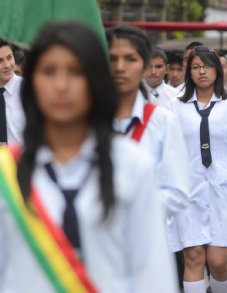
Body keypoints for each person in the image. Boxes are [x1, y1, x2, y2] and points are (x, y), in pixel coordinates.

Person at [0, 21, 177, 292]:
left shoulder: (132, 165)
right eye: (48, 72)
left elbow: (154, 279)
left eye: (76, 72)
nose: (61, 85)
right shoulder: (6, 172)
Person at [167, 46, 227, 293]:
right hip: (188, 191)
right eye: (195, 67)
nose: (201, 72)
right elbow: (168, 152)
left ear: (218, 70)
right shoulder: (175, 106)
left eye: (206, 66)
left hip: (223, 191)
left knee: (218, 261)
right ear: (189, 72)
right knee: (193, 258)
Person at [107, 24, 189, 219]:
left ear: (144, 65)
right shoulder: (89, 121)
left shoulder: (162, 122)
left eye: (130, 59)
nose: (120, 67)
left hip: (145, 239)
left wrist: (123, 204)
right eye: (112, 59)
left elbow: (177, 194)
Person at [0, 39, 25, 145]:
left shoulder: (28, 89)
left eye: (9, 57)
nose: (7, 65)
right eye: (0, 61)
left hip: (22, 160)